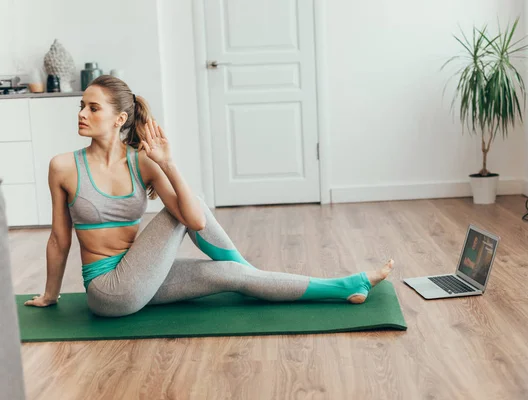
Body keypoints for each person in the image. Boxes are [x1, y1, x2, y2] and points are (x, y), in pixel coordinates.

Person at [23, 75, 394, 317]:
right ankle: (256, 273)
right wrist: (50, 295)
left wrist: (168, 164)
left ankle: (347, 286)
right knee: (188, 205)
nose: (82, 114)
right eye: (81, 106)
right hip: (108, 291)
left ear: (119, 119)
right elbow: (59, 239)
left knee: (231, 274)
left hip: (142, 274)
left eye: (93, 107)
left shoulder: (142, 162)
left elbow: (195, 220)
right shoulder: (63, 166)